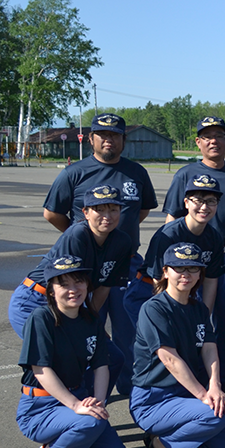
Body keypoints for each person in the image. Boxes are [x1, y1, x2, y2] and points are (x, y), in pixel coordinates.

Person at [43, 113, 157, 391]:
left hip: (126, 264)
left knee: (129, 328)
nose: (109, 140)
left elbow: (142, 210)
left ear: (123, 140)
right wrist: (88, 240)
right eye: (103, 135)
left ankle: (131, 388)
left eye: (115, 135)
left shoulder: (137, 172)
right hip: (81, 270)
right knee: (84, 327)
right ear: (92, 138)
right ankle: (85, 388)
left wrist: (113, 240)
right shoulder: (74, 172)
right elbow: (52, 213)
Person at [163, 116, 225, 397]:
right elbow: (172, 220)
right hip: (193, 263)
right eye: (207, 136)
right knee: (193, 321)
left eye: (219, 135)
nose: (213, 141)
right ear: (198, 142)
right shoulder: (185, 174)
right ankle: (192, 380)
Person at [10, 185, 132, 394]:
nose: (107, 216)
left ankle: (93, 404)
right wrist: (83, 328)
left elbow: (103, 288)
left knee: (113, 357)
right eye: (99, 210)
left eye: (113, 209)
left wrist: (92, 322)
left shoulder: (122, 242)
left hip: (73, 302)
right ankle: (58, 411)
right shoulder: (77, 235)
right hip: (37, 300)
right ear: (85, 213)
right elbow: (64, 288)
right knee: (66, 356)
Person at [17, 256, 128, 448]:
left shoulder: (90, 319)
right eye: (63, 284)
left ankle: (70, 445)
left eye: (78, 282)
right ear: (50, 290)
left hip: (78, 397)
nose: (72, 289)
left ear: (87, 285)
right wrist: (76, 405)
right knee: (91, 422)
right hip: (40, 408)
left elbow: (101, 366)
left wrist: (98, 401)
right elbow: (40, 370)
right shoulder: (42, 318)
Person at [130, 243, 225, 448]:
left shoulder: (198, 308)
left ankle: (171, 433)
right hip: (153, 398)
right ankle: (162, 444)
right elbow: (170, 359)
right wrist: (204, 396)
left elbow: (209, 348)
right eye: (179, 268)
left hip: (183, 394)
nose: (186, 275)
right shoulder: (154, 309)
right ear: (166, 272)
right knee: (216, 415)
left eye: (193, 269)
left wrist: (215, 386)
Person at [123, 174, 224, 390]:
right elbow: (159, 282)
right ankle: (147, 393)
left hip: (182, 294)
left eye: (211, 201)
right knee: (159, 348)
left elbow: (211, 280)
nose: (204, 207)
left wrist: (203, 316)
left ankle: (183, 390)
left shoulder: (214, 237)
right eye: (198, 200)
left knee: (185, 344)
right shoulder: (168, 235)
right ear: (186, 202)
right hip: (148, 292)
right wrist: (174, 317)